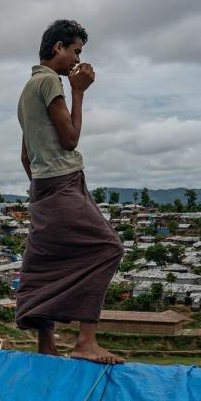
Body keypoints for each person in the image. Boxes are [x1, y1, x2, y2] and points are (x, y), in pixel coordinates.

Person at [14, 20, 124, 364]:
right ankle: (85, 342)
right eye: (76, 51)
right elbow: (70, 138)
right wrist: (78, 91)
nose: (77, 59)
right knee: (107, 248)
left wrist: (42, 189)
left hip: (43, 186)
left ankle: (46, 343)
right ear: (58, 47)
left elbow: (25, 155)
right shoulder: (50, 82)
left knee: (48, 260)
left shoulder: (27, 89)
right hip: (62, 182)